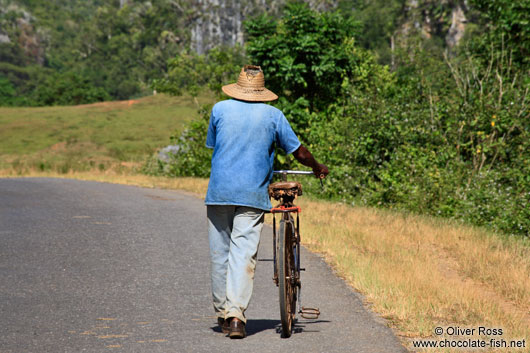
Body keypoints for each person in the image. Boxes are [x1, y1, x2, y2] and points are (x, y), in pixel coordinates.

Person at [205, 65, 328, 339]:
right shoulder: (273, 115)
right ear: (262, 91)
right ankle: (236, 316)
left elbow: (215, 146)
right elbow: (299, 152)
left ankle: (224, 315)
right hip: (251, 195)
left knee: (219, 254)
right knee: (242, 254)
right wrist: (317, 166)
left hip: (218, 193)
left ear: (237, 89)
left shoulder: (219, 110)